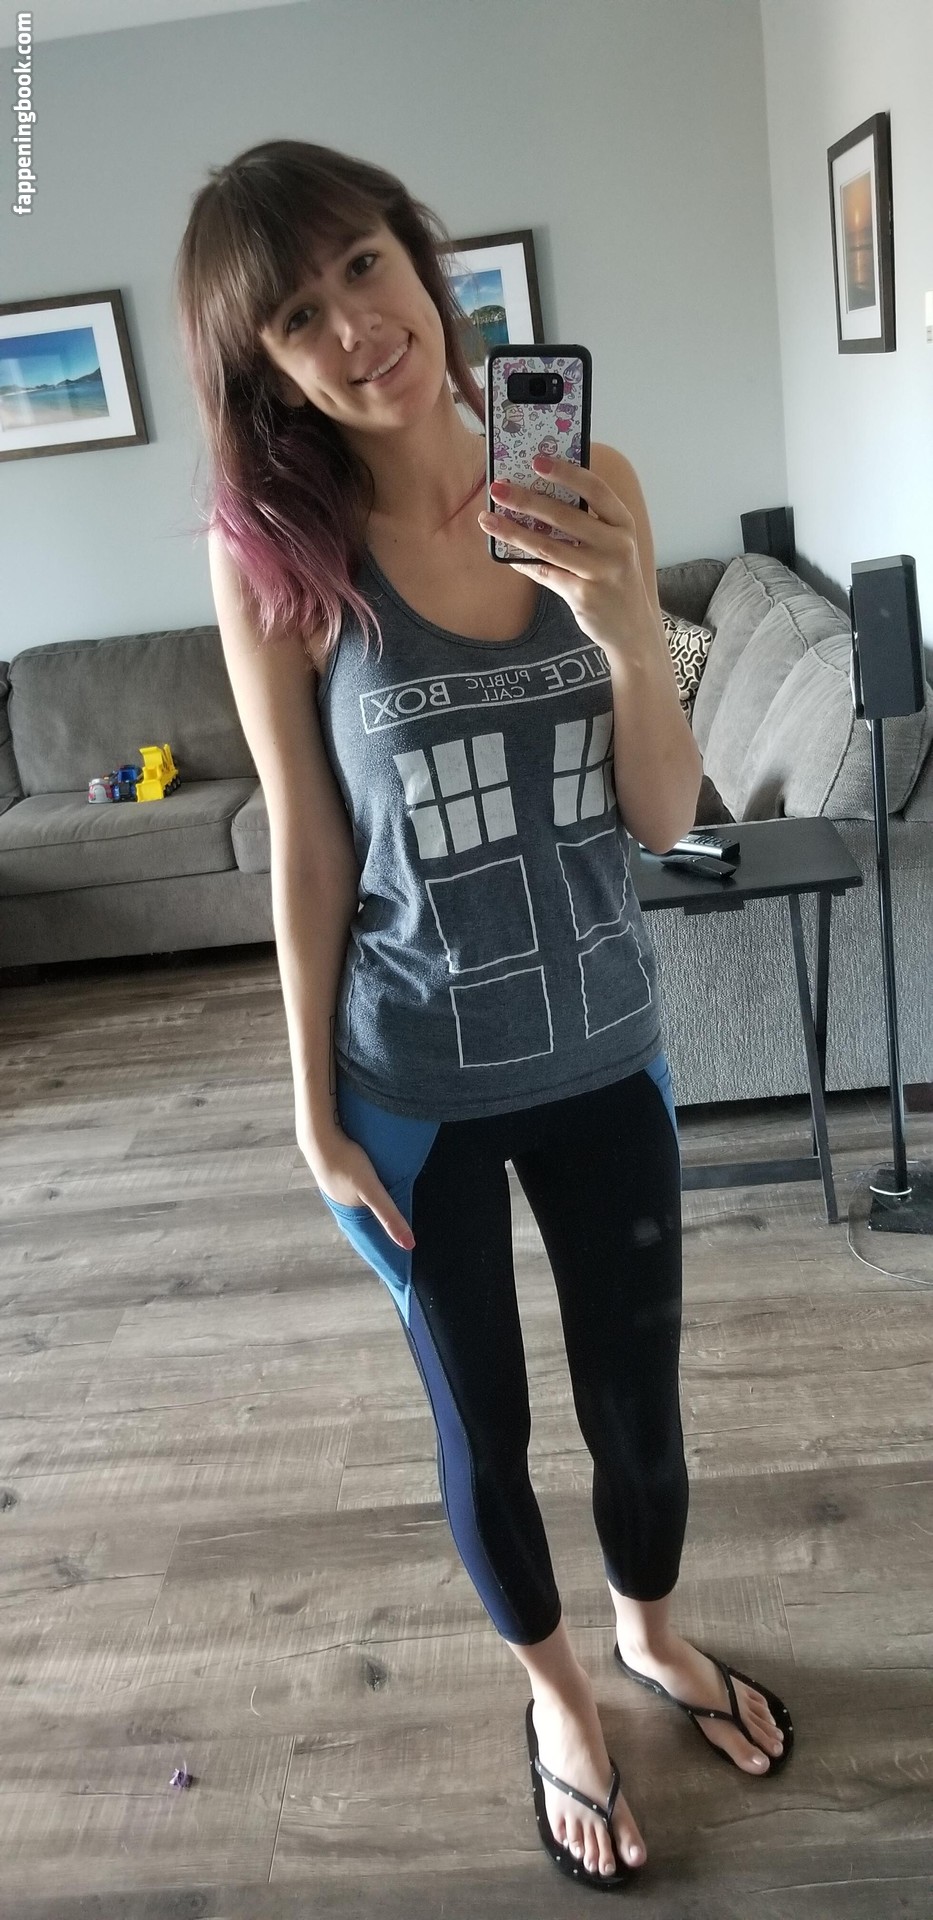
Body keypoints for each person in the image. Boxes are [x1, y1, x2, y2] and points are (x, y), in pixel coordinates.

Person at [175, 138, 793, 1891]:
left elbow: (663, 819)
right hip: (409, 1082)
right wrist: (309, 1108)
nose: (352, 328)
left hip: (603, 1050)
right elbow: (308, 844)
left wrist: (623, 627)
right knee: (484, 1425)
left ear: (420, 260)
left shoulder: (590, 480)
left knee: (638, 1409)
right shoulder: (274, 554)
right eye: (296, 317)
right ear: (264, 367)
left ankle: (649, 1636)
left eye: (361, 269)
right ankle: (557, 1699)